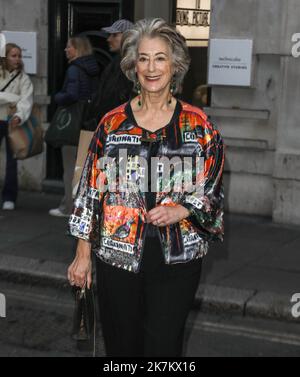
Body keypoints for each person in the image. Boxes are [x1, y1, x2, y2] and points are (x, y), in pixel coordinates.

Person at [68, 18, 225, 357]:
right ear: (133, 66)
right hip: (116, 256)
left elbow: (212, 190)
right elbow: (90, 192)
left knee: (163, 348)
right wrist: (82, 254)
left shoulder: (199, 126)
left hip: (177, 258)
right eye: (143, 58)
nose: (151, 67)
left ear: (175, 65)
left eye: (160, 58)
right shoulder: (112, 124)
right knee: (122, 347)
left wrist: (181, 209)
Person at [49, 36, 100, 217]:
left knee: (70, 167)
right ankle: (82, 206)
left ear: (77, 49)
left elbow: (71, 94)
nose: (65, 50)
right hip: (89, 122)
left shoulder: (74, 69)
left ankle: (68, 207)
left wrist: (57, 98)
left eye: (68, 46)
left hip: (72, 124)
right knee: (84, 168)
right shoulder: (94, 68)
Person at [0, 43, 33, 211]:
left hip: (12, 121)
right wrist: (13, 97)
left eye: (19, 55)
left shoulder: (24, 78)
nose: (17, 59)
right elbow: (17, 98)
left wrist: (19, 115)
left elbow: (26, 101)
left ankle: (9, 196)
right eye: (13, 55)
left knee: (12, 161)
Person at [87, 19, 134, 128]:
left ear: (128, 37)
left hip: (119, 125)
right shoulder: (118, 62)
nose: (109, 39)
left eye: (114, 35)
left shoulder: (131, 63)